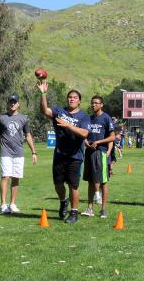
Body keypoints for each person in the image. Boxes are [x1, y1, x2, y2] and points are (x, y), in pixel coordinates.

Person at [38, 82, 90, 224]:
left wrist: (68, 125)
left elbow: (84, 133)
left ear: (79, 101)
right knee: (58, 183)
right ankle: (63, 201)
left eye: (74, 97)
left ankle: (74, 212)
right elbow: (44, 110)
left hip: (75, 156)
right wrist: (43, 93)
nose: (71, 99)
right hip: (60, 154)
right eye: (69, 97)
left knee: (73, 185)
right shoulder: (59, 112)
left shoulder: (84, 117)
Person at [0, 94, 37, 214]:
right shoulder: (1, 118)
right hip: (5, 151)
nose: (12, 104)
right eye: (11, 102)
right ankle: (3, 205)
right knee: (5, 177)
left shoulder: (24, 119)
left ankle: (12, 204)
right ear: (8, 103)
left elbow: (28, 135)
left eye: (15, 102)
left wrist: (34, 152)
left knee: (16, 178)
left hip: (19, 152)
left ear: (18, 104)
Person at [81, 95, 115, 219]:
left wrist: (99, 143)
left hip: (100, 153)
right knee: (90, 181)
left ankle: (103, 209)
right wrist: (84, 140)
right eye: (92, 103)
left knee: (103, 181)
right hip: (89, 152)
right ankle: (90, 209)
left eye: (96, 103)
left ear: (101, 105)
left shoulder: (106, 118)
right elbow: (84, 133)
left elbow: (112, 137)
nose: (93, 105)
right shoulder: (89, 119)